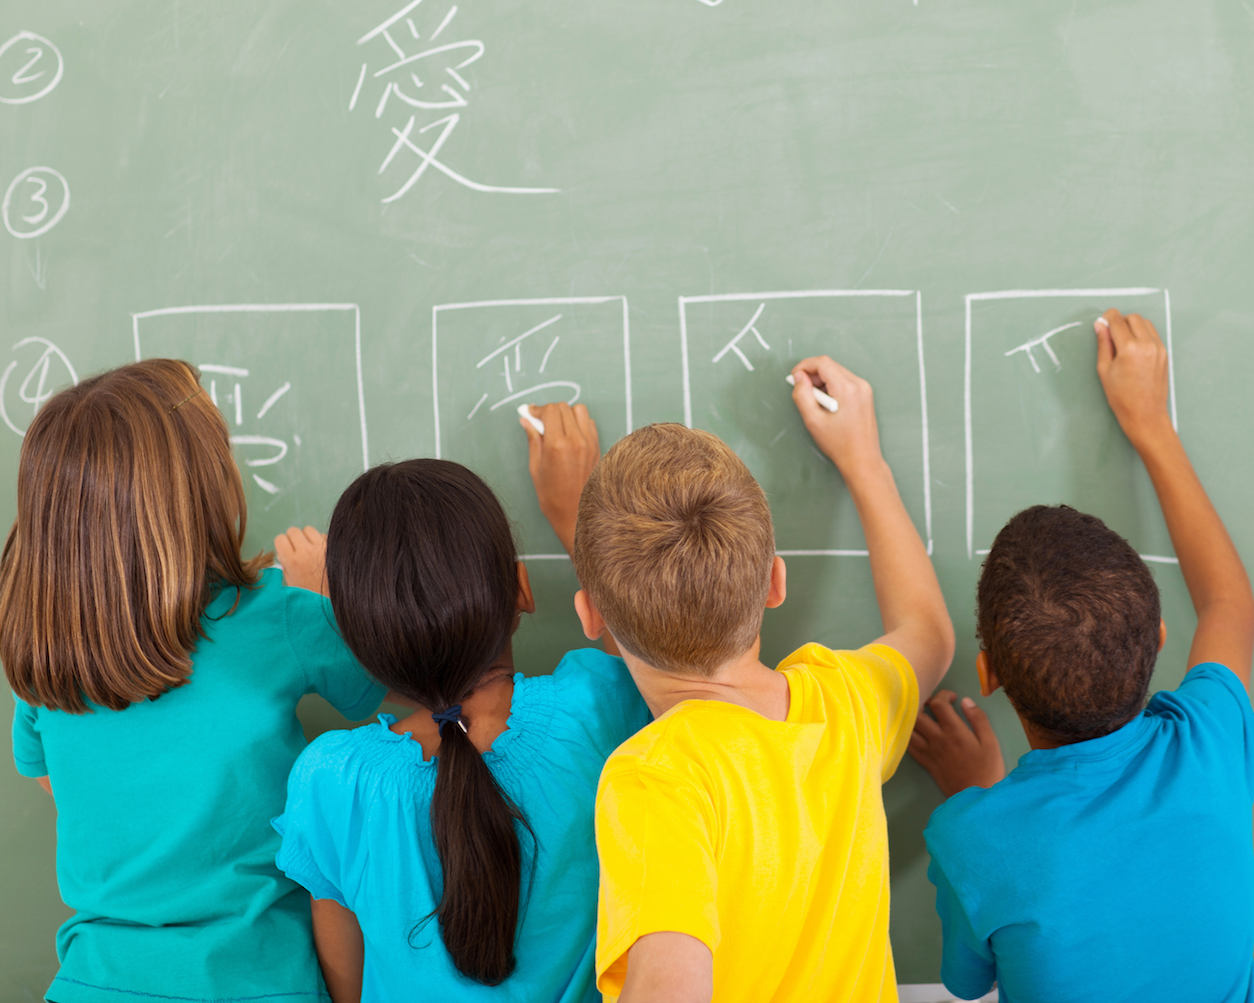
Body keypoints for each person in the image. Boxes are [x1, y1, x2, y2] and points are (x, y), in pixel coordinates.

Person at [1, 359, 386, 1003]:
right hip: (258, 979)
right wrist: (325, 599)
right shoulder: (275, 614)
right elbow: (369, 693)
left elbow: (47, 776)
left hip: (94, 982)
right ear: (203, 490)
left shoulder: (42, 649)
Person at [574, 357, 956, 1003]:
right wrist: (865, 463)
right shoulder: (843, 705)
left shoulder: (656, 776)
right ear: (776, 582)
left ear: (588, 616)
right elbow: (929, 633)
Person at [909, 309, 1254, 1002]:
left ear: (988, 676)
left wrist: (979, 795)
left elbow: (966, 980)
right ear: (1159, 637)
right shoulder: (1212, 738)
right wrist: (1151, 426)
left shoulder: (973, 837)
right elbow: (1229, 605)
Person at [272, 403, 652, 1003]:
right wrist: (578, 512)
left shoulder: (332, 780)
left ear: (356, 648)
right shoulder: (599, 710)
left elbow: (347, 992)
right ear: (522, 591)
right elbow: (647, 654)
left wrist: (331, 614)